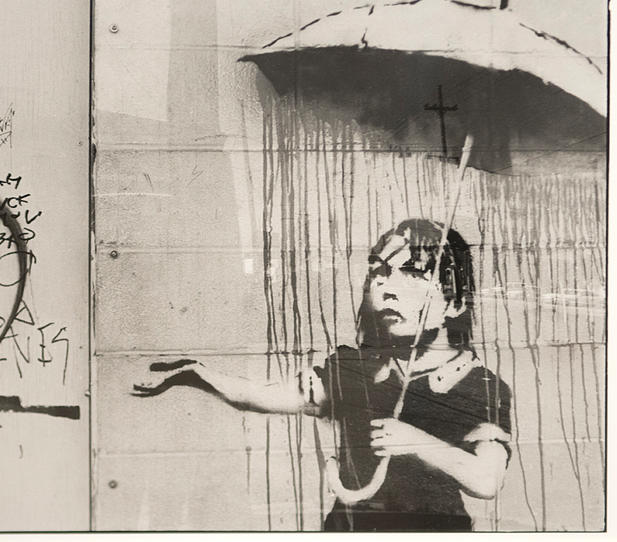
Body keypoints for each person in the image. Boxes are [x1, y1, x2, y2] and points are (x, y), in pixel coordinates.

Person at [133, 218, 512, 532]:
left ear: (455, 301)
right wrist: (198, 374)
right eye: (379, 272)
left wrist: (415, 442)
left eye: (411, 273)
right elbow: (260, 395)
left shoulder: (475, 382)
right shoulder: (355, 368)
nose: (387, 288)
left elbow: (486, 480)